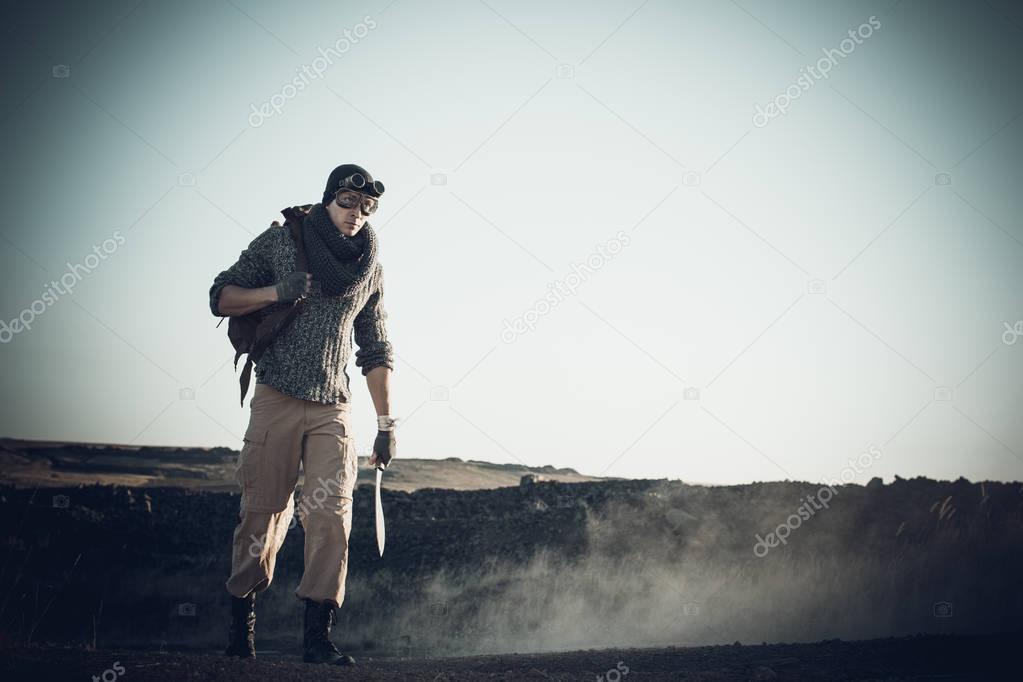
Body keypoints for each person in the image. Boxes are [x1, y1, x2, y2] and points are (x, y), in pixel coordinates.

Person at [208, 163, 398, 666]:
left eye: (367, 207)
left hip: (334, 405)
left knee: (331, 515)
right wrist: (275, 292)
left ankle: (317, 639)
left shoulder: (370, 265)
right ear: (329, 199)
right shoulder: (283, 241)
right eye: (347, 203)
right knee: (263, 512)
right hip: (277, 396)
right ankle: (240, 633)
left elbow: (375, 347)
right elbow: (221, 297)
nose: (356, 214)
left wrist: (385, 424)